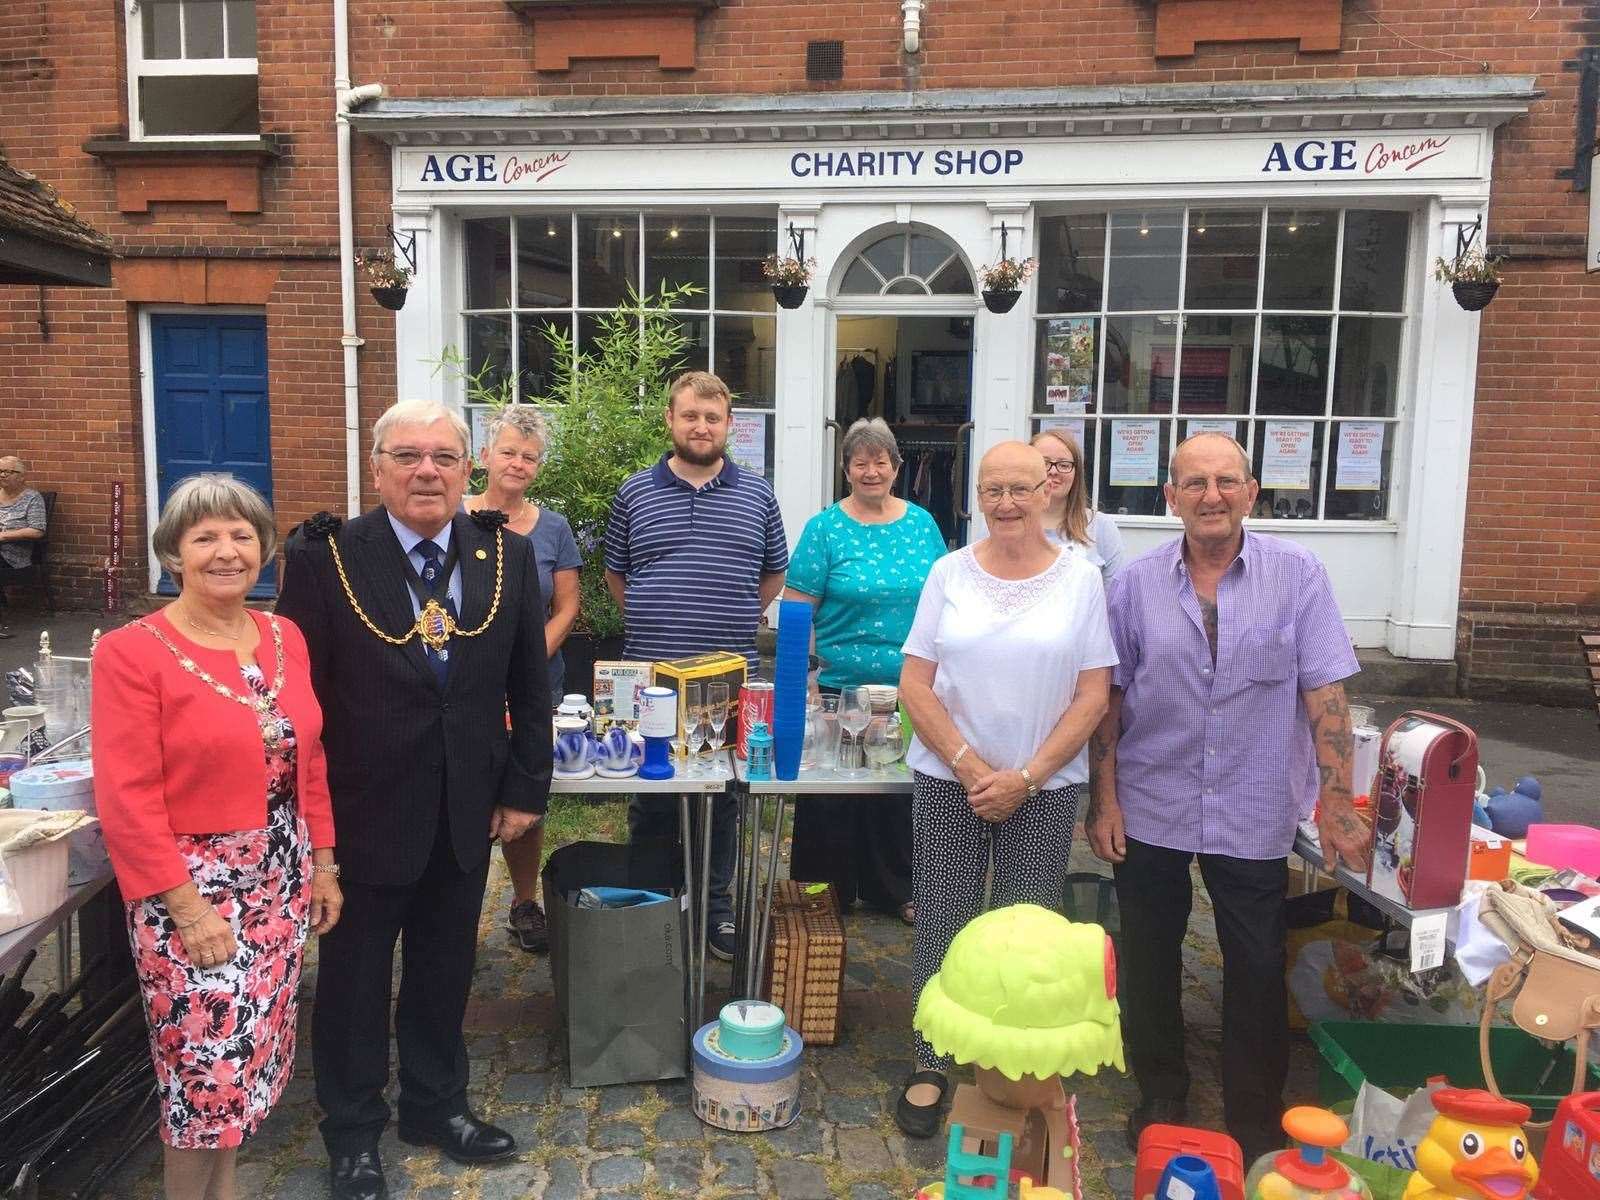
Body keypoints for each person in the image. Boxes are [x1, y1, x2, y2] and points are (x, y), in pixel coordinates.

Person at [277, 400, 553, 1200]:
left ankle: (436, 1106)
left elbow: (528, 688)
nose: (426, 470)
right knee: (356, 980)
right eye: (407, 456)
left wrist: (524, 788)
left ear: (468, 469)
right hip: (364, 812)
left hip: (468, 806)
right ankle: (354, 1130)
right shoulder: (325, 558)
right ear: (377, 467)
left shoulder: (503, 553)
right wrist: (316, 826)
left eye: (443, 456)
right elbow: (301, 704)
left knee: (444, 968)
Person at [1086, 431, 1367, 1163]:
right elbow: (1107, 704)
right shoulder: (1133, 585)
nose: (1211, 495)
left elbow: (1326, 693)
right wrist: (1104, 800)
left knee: (1253, 957)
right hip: (1153, 796)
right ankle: (1162, 1089)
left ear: (1250, 491)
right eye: (1194, 482)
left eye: (1226, 481)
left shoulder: (1297, 573)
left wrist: (1337, 801)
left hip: (1255, 799)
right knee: (1148, 953)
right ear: (1169, 497)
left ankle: (1252, 1108)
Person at [92, 473, 342, 1200]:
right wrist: (189, 910)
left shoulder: (282, 635)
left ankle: (224, 1191)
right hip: (190, 893)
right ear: (174, 555)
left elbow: (310, 758)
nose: (226, 552)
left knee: (250, 1065)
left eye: (242, 536)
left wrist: (324, 864)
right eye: (205, 538)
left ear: (264, 549)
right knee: (203, 1078)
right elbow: (127, 797)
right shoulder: (131, 651)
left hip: (280, 881)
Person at [893, 440, 1116, 1138]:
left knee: (1024, 934)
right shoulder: (948, 573)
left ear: (1048, 491)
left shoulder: (1081, 579)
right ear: (976, 498)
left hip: (1043, 788)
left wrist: (1025, 777)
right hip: (950, 781)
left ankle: (1010, 1065)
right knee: (943, 916)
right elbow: (914, 684)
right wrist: (968, 766)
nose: (1007, 504)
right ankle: (931, 1059)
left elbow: (1093, 695)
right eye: (993, 491)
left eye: (1020, 488)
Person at [604, 370, 788, 961]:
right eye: (690, 416)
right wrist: (660, 621)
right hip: (650, 675)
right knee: (650, 796)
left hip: (726, 681)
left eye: (712, 418)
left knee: (724, 798)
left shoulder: (758, 494)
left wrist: (726, 622)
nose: (701, 427)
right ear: (671, 420)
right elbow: (616, 575)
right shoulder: (635, 492)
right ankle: (650, 907)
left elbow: (773, 574)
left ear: (729, 425)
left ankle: (715, 911)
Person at [784, 418, 945, 924]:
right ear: (846, 469)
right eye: (860, 462)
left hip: (908, 689)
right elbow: (796, 609)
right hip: (836, 685)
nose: (871, 471)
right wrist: (805, 679)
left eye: (881, 461)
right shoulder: (824, 528)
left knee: (895, 796)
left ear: (897, 467)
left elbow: (944, 601)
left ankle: (893, 889)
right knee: (828, 796)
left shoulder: (922, 524)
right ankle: (821, 893)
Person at [465, 404, 580, 954]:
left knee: (524, 791)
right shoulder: (450, 516)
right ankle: (454, 899)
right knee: (458, 791)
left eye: (529, 457)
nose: (517, 463)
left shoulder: (553, 528)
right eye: (508, 451)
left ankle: (524, 900)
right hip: (460, 685)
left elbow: (566, 606)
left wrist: (528, 663)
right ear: (484, 455)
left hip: (535, 686)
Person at [1030, 429, 1125, 585]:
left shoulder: (1101, 528)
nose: (1053, 471)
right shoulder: (1006, 523)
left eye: (1064, 464)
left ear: (1076, 473)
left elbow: (1115, 600)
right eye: (1044, 463)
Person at [0, 456, 47, 638]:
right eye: (0, 471)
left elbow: (37, 530)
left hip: (15, 556)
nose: (3, 475)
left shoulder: (32, 498)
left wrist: (4, 536)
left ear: (21, 476)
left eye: (8, 472)